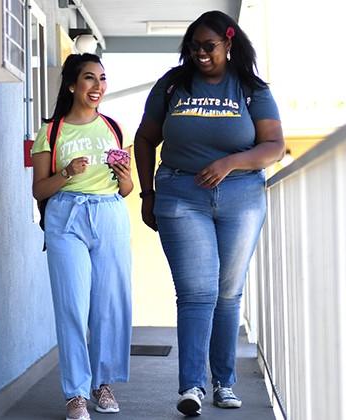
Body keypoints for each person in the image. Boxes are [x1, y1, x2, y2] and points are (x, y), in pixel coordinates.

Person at [134, 11, 284, 416]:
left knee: (227, 293)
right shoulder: (172, 85)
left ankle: (224, 382)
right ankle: (192, 387)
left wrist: (230, 164)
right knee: (197, 293)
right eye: (194, 46)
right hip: (182, 195)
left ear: (229, 43)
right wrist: (148, 193)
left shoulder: (250, 88)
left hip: (241, 197)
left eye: (208, 46)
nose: (200, 53)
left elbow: (273, 146)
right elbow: (145, 139)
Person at [31, 53, 133, 420]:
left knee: (108, 304)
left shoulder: (113, 128)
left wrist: (123, 176)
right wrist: (68, 174)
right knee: (73, 306)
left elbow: (127, 188)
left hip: (109, 213)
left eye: (102, 79)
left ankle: (103, 384)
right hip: (66, 216)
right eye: (90, 78)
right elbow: (40, 190)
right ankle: (75, 394)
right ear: (73, 85)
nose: (98, 86)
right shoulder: (51, 131)